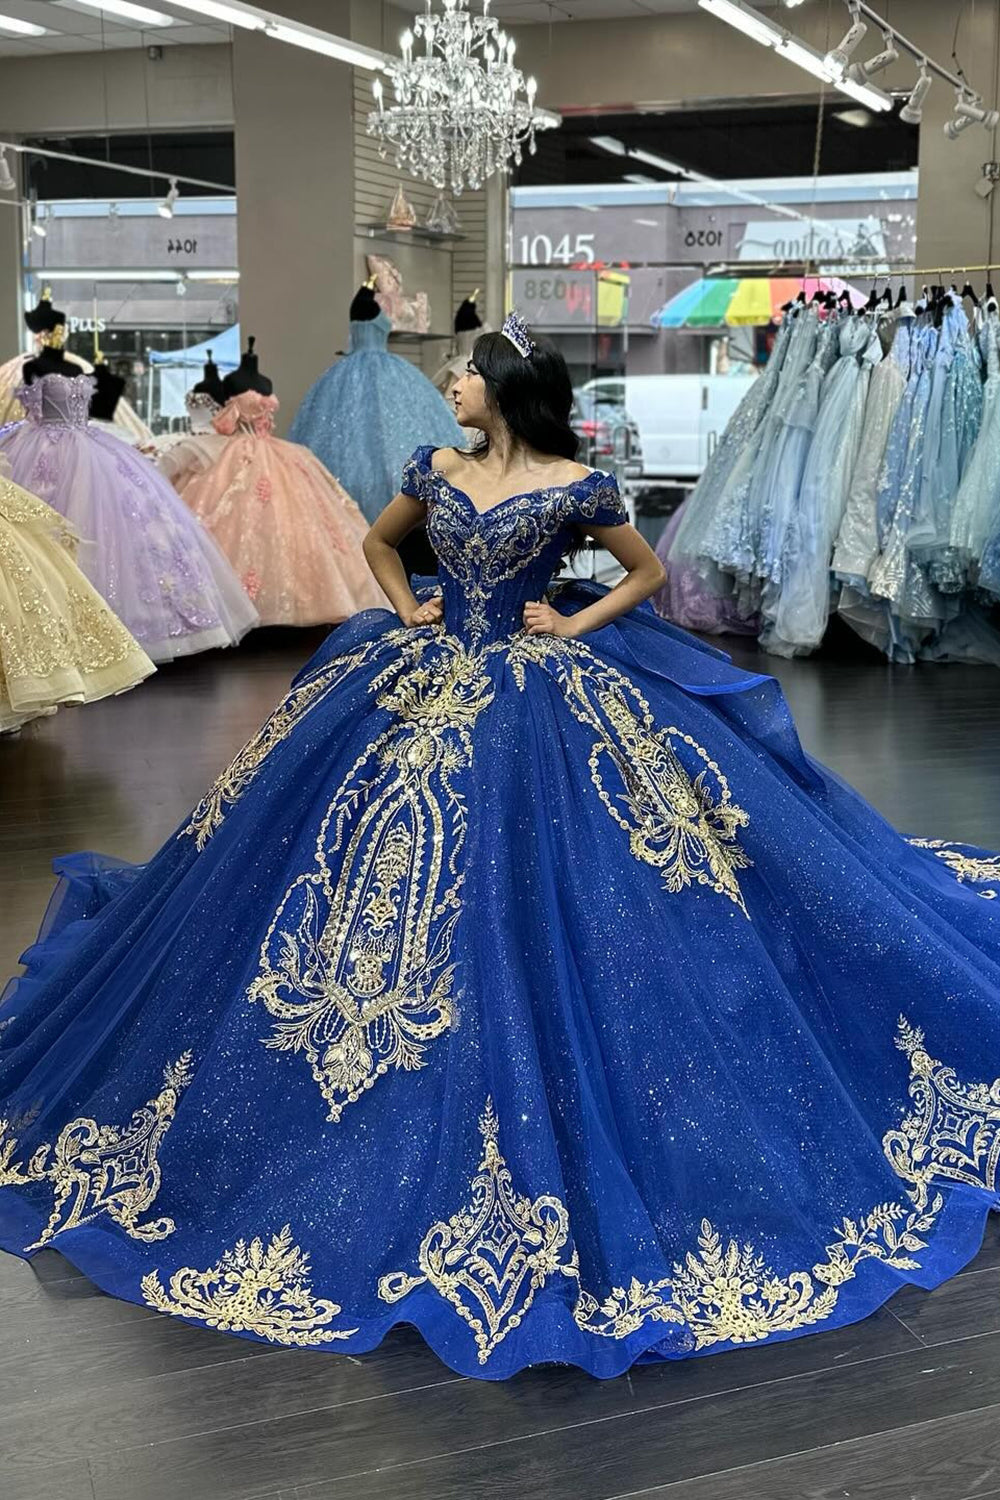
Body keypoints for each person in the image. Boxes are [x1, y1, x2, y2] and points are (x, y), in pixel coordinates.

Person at [1, 313, 999, 1383]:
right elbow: (380, 543)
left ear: (504, 387)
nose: (452, 388)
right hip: (421, 673)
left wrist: (574, 627)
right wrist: (407, 611)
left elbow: (646, 576)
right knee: (312, 868)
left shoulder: (577, 485)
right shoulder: (432, 465)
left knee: (593, 869)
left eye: (465, 375)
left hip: (538, 687)